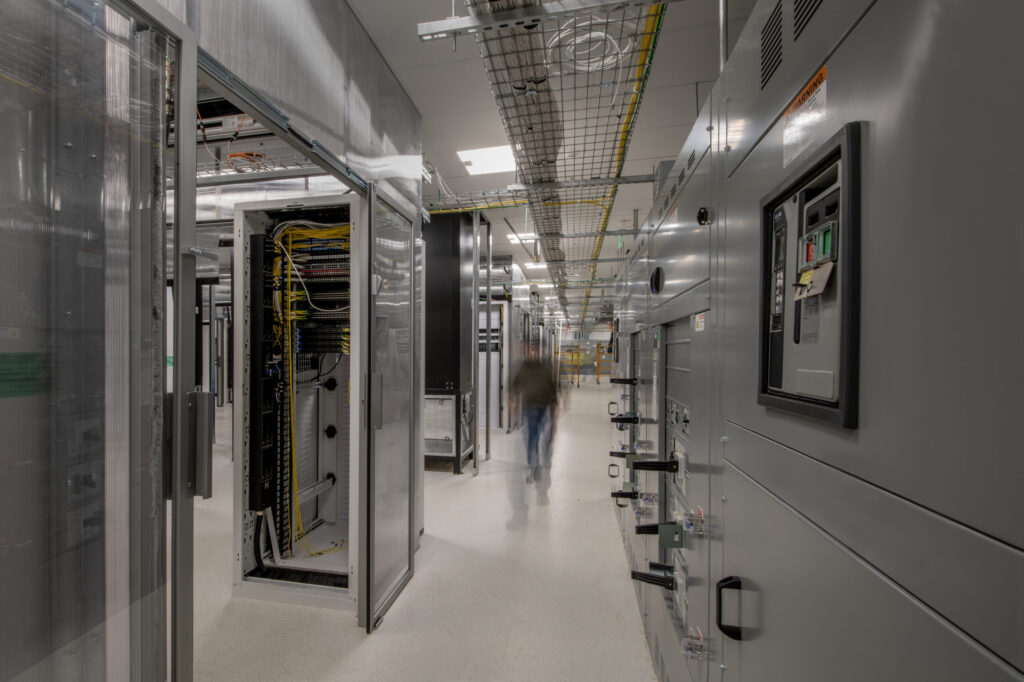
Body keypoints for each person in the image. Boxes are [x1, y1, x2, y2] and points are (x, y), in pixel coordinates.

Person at [507, 348, 559, 526]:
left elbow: (554, 390)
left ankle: (542, 488)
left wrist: (556, 413)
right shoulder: (524, 367)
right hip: (529, 410)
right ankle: (533, 470)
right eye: (531, 349)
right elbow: (513, 387)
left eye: (537, 349)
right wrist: (512, 403)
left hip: (546, 411)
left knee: (544, 446)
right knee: (530, 442)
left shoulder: (547, 366)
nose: (533, 352)